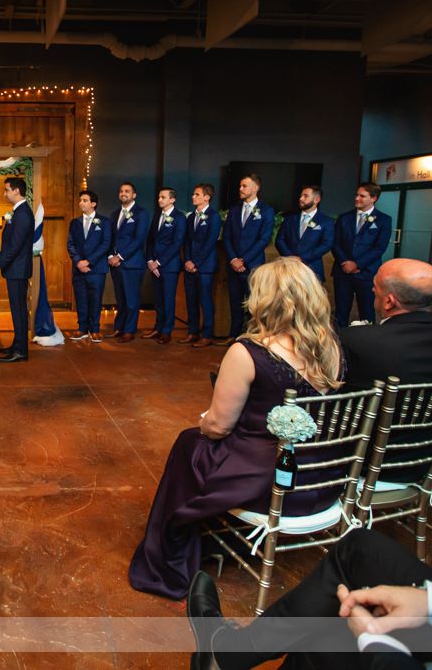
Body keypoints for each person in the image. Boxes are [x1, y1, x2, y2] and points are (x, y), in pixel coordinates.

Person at [129, 257, 344, 599]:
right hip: (322, 476)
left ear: (264, 300)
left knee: (190, 442)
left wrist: (205, 421)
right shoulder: (330, 346)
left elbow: (218, 427)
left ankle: (170, 553)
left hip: (268, 479)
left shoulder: (247, 352)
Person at [187, 529, 432, 670]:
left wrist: (376, 643)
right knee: (360, 549)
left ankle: (224, 654)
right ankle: (226, 654)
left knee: (328, 635)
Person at [340, 258, 432, 483]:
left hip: (362, 463)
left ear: (389, 302)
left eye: (376, 287)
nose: (372, 290)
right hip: (426, 459)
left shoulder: (356, 340)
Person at [0, 178, 35, 362]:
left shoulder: (23, 214)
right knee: (17, 309)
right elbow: (10, 244)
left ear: (16, 191)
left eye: (6, 190)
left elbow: (15, 247)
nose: (4, 194)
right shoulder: (18, 212)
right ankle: (17, 344)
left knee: (19, 310)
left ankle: (21, 351)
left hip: (18, 269)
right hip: (15, 268)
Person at [221, 174, 275, 344]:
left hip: (253, 266)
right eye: (240, 186)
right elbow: (227, 237)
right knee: (235, 302)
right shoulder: (234, 210)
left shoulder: (266, 210)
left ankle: (251, 338)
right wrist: (233, 260)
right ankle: (234, 335)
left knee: (253, 304)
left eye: (244, 186)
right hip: (233, 265)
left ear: (255, 188)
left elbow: (264, 239)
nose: (241, 189)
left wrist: (243, 260)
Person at [332, 182, 393, 327]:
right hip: (342, 272)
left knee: (367, 313)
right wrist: (345, 262)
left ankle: (364, 343)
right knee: (341, 313)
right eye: (356, 195)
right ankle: (339, 344)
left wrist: (357, 264)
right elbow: (335, 243)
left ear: (374, 198)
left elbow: (379, 247)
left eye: (362, 196)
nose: (357, 198)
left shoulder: (384, 220)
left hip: (366, 273)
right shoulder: (344, 218)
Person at [66, 189, 112, 343]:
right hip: (78, 268)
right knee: (81, 299)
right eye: (80, 200)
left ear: (93, 204)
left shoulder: (104, 222)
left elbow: (105, 244)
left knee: (95, 299)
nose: (81, 203)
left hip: (96, 268)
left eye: (85, 200)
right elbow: (70, 244)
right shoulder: (75, 222)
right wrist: (79, 261)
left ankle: (95, 329)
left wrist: (89, 261)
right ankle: (82, 328)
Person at [107, 182, 150, 343]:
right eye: (121, 191)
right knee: (120, 299)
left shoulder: (141, 213)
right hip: (115, 263)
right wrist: (111, 255)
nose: (123, 193)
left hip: (132, 263)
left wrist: (120, 256)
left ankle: (130, 330)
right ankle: (119, 328)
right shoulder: (115, 213)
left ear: (134, 195)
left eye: (127, 191)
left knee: (131, 299)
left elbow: (139, 239)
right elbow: (111, 238)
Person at [144, 187, 188, 343]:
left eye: (163, 197)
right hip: (153, 264)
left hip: (169, 265)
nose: (159, 200)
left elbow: (177, 243)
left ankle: (167, 331)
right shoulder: (157, 216)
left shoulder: (180, 217)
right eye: (159, 197)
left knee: (168, 299)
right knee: (158, 299)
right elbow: (150, 239)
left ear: (172, 199)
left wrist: (159, 262)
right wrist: (150, 260)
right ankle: (158, 327)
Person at [181, 184, 222, 348]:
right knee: (191, 300)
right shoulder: (191, 217)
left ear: (207, 197)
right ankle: (192, 332)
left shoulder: (214, 216)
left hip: (205, 267)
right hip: (190, 265)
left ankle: (207, 334)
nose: (193, 197)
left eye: (197, 194)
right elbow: (187, 241)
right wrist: (187, 260)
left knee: (205, 301)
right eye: (193, 194)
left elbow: (210, 242)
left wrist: (195, 262)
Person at [275, 185, 334, 282]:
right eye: (301, 196)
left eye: (305, 196)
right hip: (288, 269)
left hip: (312, 269)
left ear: (316, 199)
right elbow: (280, 239)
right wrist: (290, 258)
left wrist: (303, 258)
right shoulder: (290, 218)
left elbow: (327, 244)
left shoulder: (326, 221)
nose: (301, 199)